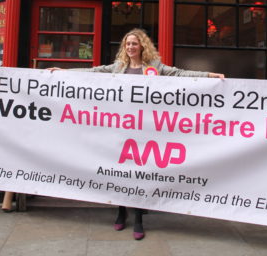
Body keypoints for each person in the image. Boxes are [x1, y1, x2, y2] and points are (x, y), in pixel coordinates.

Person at [49, 28, 225, 240]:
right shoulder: (119, 67)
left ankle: (139, 217)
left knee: (139, 173)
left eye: (134, 43)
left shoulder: (155, 67)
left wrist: (209, 75)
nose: (130, 47)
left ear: (142, 46)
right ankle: (121, 211)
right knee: (120, 171)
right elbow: (94, 72)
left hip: (144, 130)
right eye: (127, 44)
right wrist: (64, 72)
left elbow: (179, 74)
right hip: (121, 127)